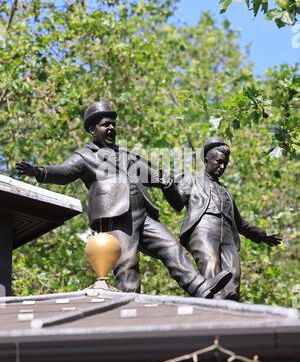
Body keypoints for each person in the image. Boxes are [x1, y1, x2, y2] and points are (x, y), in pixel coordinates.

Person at [16, 103, 232, 298]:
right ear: (93, 130)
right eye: (105, 125)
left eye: (113, 124)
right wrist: (39, 171)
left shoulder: (126, 155)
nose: (111, 128)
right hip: (117, 216)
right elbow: (64, 172)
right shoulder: (85, 156)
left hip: (143, 213)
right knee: (127, 261)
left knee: (170, 245)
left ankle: (200, 288)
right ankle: (129, 303)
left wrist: (175, 182)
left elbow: (156, 175)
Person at [174, 136, 281, 301]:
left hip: (229, 236)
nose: (222, 166)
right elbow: (175, 201)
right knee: (211, 269)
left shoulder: (226, 191)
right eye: (218, 161)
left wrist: (263, 235)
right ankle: (212, 310)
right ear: (206, 160)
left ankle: (231, 312)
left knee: (233, 276)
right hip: (204, 229)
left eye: (225, 163)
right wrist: (165, 184)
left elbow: (240, 224)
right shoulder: (192, 180)